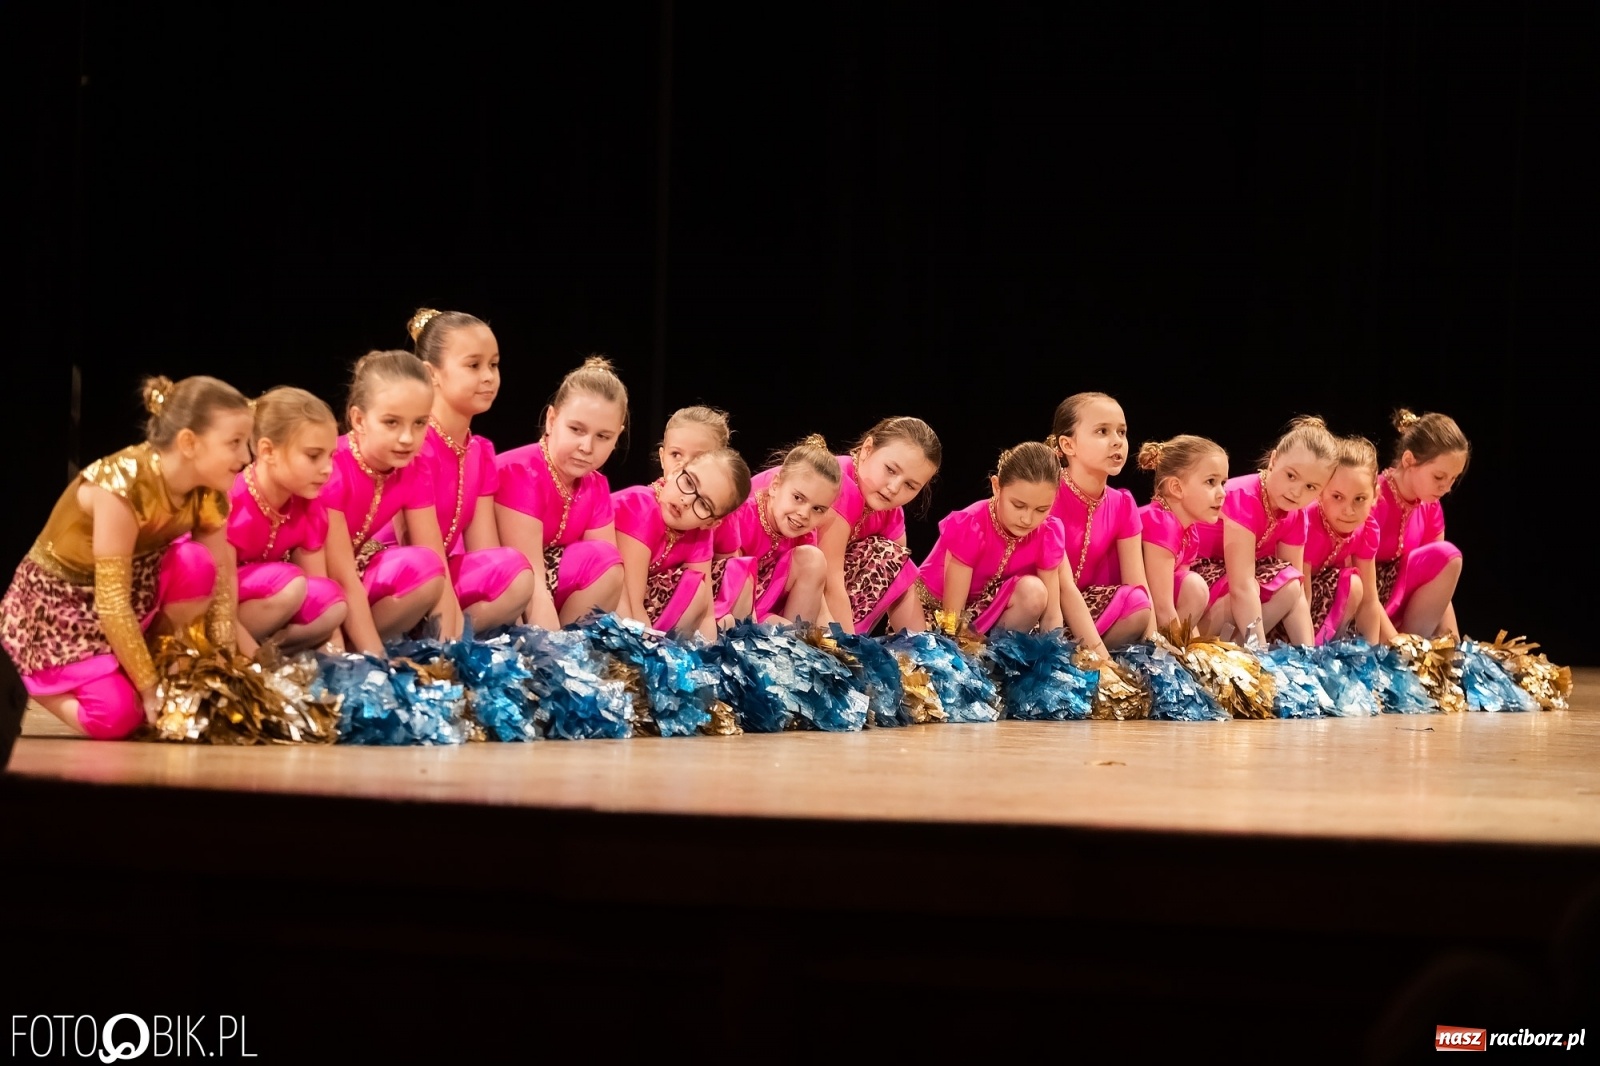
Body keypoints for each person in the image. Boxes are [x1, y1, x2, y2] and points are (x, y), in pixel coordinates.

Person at [0, 375, 252, 738]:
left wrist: (226, 672)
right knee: (117, 718)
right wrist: (148, 689)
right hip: (61, 607)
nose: (245, 457)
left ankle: (163, 666)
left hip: (134, 593)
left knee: (197, 563)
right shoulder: (121, 485)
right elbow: (111, 600)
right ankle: (27, 673)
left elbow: (221, 585)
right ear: (189, 443)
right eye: (235, 443)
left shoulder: (209, 492)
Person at [495, 356, 627, 628]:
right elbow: (530, 582)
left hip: (540, 590)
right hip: (497, 589)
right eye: (576, 429)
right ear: (552, 419)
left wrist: (633, 644)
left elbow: (610, 574)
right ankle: (553, 657)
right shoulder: (521, 472)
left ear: (618, 437)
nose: (587, 446)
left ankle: (570, 650)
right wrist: (555, 658)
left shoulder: (596, 484)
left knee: (607, 561)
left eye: (603, 436)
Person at [228, 386, 347, 652]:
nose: (328, 469)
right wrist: (254, 668)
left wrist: (339, 657)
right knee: (290, 584)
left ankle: (276, 654)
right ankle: (244, 656)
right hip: (215, 613)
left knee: (333, 602)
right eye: (313, 456)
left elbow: (319, 585)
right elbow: (215, 598)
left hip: (265, 608)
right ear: (268, 451)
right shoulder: (232, 503)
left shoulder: (309, 505)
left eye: (330, 456)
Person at [817, 416, 941, 634]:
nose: (894, 488)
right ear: (867, 449)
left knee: (891, 557)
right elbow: (830, 582)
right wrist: (848, 650)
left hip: (818, 594)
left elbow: (900, 581)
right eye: (890, 470)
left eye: (910, 486)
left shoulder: (891, 513)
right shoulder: (837, 482)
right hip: (767, 579)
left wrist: (923, 652)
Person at [613, 448, 750, 640]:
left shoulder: (699, 534)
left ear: (711, 523)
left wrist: (709, 662)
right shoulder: (641, 506)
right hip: (606, 597)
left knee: (698, 591)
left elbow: (708, 614)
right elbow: (631, 603)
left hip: (635, 608)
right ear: (677, 470)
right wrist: (644, 655)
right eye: (689, 482)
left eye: (703, 504)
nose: (686, 500)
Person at [713, 435, 840, 626]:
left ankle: (797, 648)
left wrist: (840, 642)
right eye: (798, 498)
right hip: (728, 608)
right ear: (775, 486)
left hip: (765, 609)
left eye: (817, 509)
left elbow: (819, 602)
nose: (804, 514)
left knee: (813, 559)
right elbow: (730, 584)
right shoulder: (742, 516)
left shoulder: (804, 533)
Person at [1369, 408, 1469, 639]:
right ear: (1409, 460)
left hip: (1404, 612)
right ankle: (1404, 654)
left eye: (1453, 479)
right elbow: (1359, 579)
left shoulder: (1430, 506)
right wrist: (1394, 643)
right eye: (1439, 477)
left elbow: (1439, 579)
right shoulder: (1374, 497)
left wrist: (1453, 643)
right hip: (1366, 607)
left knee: (1448, 557)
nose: (1447, 487)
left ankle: (1415, 649)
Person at [1136, 435, 1228, 632]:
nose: (1222, 493)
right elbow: (1163, 607)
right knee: (1195, 587)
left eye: (1223, 482)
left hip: (1148, 614)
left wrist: (1195, 649)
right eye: (1211, 482)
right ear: (1176, 487)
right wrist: (1183, 657)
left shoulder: (1189, 532)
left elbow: (1180, 601)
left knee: (1193, 587)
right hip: (1127, 610)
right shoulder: (1160, 523)